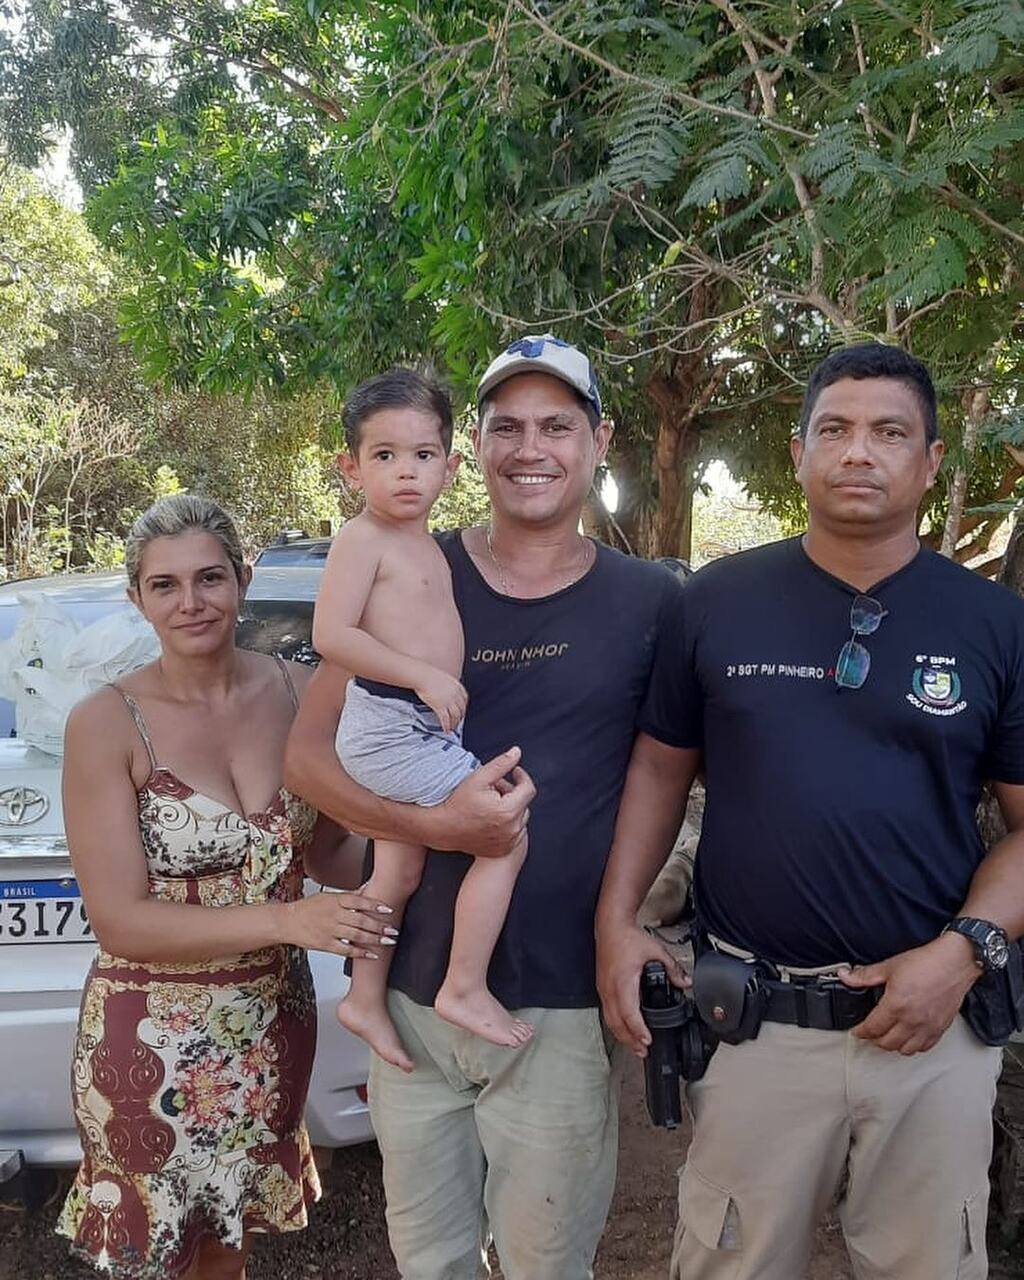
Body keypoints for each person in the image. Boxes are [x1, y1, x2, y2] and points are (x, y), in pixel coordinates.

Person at [596, 342, 1024, 1280]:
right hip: (757, 1031)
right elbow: (660, 773)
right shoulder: (713, 603)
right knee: (732, 1263)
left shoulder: (993, 625)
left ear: (931, 461)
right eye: (834, 429)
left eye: (888, 432)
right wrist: (616, 924)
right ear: (798, 455)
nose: (859, 451)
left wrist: (962, 955)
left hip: (932, 1032)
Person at [284, 334, 686, 1280]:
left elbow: (664, 775)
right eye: (508, 426)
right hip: (416, 1005)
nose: (530, 447)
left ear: (599, 440)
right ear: (479, 448)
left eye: (556, 424)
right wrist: (435, 829)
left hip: (559, 1006)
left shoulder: (652, 602)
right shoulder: (409, 565)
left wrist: (627, 923)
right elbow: (307, 757)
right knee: (432, 1263)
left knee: (548, 1264)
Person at [56, 494, 395, 1280]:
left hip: (270, 1025)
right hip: (148, 1042)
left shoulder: (301, 691)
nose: (191, 602)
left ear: (243, 579)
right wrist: (288, 920)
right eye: (165, 586)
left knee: (224, 1250)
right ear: (136, 598)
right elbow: (120, 922)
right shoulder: (106, 723)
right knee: (157, 1257)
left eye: (209, 578)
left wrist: (419, 842)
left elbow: (333, 850)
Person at [312, 367, 531, 1069]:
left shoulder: (426, 542)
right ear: (351, 468)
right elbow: (331, 636)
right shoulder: (362, 538)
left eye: (422, 455)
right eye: (384, 456)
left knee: (396, 875)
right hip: (388, 724)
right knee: (503, 833)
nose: (405, 473)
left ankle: (364, 996)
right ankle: (463, 985)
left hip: (419, 725)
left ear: (451, 464)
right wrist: (423, 675)